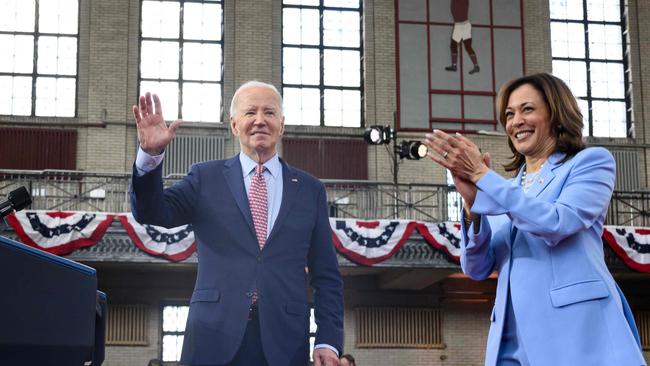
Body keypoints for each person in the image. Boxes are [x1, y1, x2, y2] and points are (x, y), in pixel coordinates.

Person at [424, 73, 645, 366]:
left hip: (574, 334)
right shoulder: (506, 189)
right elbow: (476, 268)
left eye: (527, 109)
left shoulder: (590, 163)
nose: (516, 121)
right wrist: (472, 206)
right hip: (511, 339)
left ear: (556, 114)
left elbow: (556, 223)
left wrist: (482, 176)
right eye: (509, 114)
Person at [130, 81, 344, 366]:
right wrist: (150, 156)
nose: (259, 120)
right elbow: (152, 212)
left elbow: (326, 275)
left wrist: (328, 340)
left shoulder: (310, 189)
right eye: (249, 113)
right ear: (233, 125)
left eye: (269, 112)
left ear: (282, 124)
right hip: (212, 337)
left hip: (284, 342)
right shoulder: (205, 178)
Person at [444, 0, 480, 74]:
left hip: (464, 25)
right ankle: (454, 65)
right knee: (453, 45)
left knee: (467, 46)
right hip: (458, 25)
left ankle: (476, 66)